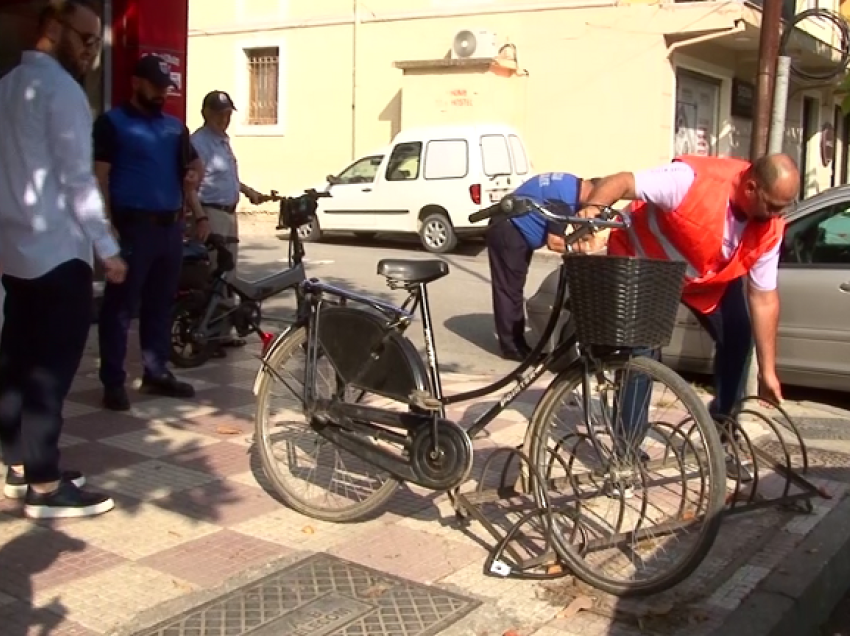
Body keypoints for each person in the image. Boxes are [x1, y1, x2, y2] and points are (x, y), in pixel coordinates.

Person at [584, 153, 799, 481]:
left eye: (783, 208)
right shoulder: (691, 180)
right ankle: (625, 453)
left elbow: (764, 298)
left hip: (704, 278)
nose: (776, 216)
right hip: (648, 262)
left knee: (739, 338)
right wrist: (592, 212)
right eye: (772, 206)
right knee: (643, 355)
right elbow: (623, 181)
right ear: (752, 187)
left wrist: (769, 371)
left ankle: (720, 437)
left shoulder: (769, 228)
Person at [0, 0, 126, 518]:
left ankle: (18, 465)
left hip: (15, 253)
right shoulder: (63, 93)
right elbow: (78, 181)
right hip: (58, 255)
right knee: (50, 371)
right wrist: (109, 249)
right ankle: (46, 487)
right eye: (86, 38)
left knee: (15, 364)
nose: (93, 51)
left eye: (98, 42)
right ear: (53, 28)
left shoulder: (6, 86)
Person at [94, 54, 205, 411]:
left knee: (160, 304)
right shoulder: (112, 123)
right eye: (156, 86)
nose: (162, 93)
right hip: (133, 228)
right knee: (120, 308)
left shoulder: (175, 128)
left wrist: (194, 178)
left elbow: (194, 165)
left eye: (166, 87)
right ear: (137, 82)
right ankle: (113, 381)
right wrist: (105, 224)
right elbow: (99, 177)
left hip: (170, 227)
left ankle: (156, 372)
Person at [487, 173, 598, 361]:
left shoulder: (570, 186)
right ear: (593, 194)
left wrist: (587, 234)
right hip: (509, 229)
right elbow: (554, 243)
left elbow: (574, 227)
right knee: (509, 289)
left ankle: (516, 341)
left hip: (512, 226)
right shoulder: (564, 200)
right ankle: (511, 347)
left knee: (513, 288)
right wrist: (586, 247)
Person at [190, 90, 268, 354]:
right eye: (219, 113)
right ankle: (209, 333)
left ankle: (222, 332)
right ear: (206, 113)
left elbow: (225, 177)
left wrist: (247, 191)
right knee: (217, 273)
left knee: (228, 274)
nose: (224, 119)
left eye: (227, 114)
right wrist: (199, 218)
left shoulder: (222, 141)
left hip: (228, 213)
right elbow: (192, 184)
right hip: (211, 213)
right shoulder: (199, 143)